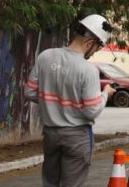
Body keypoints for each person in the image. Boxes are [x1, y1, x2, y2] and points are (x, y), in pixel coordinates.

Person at [24, 14, 116, 187]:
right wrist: (105, 93)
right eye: (97, 48)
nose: (95, 52)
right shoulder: (88, 70)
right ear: (90, 42)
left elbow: (29, 92)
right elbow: (92, 110)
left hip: (50, 134)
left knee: (50, 182)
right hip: (76, 136)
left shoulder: (45, 57)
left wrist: (51, 102)